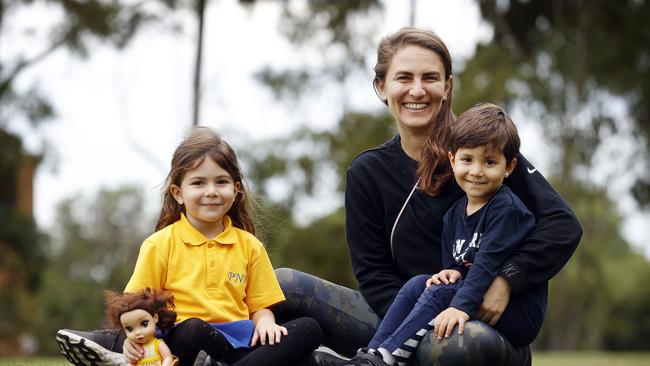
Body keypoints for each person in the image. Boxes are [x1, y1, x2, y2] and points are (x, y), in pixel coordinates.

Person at [272, 27, 581, 366]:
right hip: (402, 316)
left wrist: (507, 279)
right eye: (403, 77)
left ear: (447, 86)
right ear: (382, 87)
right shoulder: (367, 173)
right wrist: (414, 326)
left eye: (430, 78)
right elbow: (374, 276)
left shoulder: (484, 154)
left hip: (479, 328)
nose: (417, 90)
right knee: (282, 285)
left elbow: (562, 226)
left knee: (450, 344)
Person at [56, 127, 321, 366]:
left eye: (221, 181)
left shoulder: (249, 246)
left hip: (241, 342)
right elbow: (135, 307)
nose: (211, 191)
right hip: (183, 340)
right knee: (193, 328)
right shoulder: (160, 244)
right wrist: (131, 340)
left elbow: (260, 305)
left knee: (309, 328)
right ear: (178, 193)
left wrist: (265, 322)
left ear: (236, 189)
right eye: (198, 183)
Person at [342, 103, 543, 366]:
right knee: (420, 284)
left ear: (509, 167)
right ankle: (372, 354)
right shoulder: (454, 213)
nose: (476, 171)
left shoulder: (506, 209)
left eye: (490, 162)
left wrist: (459, 305)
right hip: (473, 293)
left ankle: (388, 358)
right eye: (467, 160)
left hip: (512, 311)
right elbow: (457, 263)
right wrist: (450, 272)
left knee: (439, 294)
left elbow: (486, 265)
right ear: (452, 160)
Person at [105, 288, 178, 366]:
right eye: (129, 329)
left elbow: (168, 357)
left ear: (155, 318)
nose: (137, 332)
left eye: (144, 324)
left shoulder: (157, 344)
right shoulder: (135, 350)